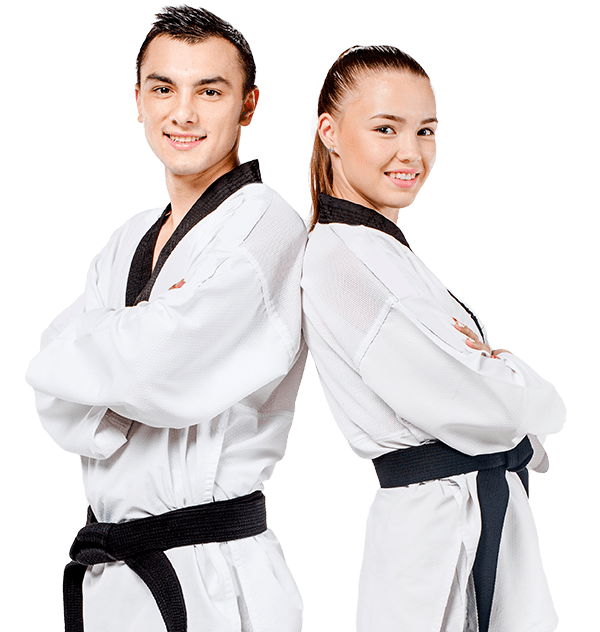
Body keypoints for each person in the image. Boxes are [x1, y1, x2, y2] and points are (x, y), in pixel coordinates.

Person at [25, 5, 306, 632]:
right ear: (137, 99)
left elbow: (158, 368)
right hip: (113, 572)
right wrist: (120, 377)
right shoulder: (128, 238)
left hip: (212, 575)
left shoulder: (266, 227)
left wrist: (108, 372)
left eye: (210, 91)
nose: (183, 113)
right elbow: (49, 378)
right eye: (163, 89)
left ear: (248, 105)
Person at [301, 45, 566, 632]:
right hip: (433, 535)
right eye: (386, 128)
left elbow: (481, 398)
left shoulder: (382, 251)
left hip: (465, 512)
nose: (411, 152)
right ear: (330, 132)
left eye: (426, 130)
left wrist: (492, 375)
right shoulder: (345, 258)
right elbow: (491, 406)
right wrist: (517, 378)